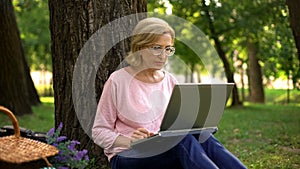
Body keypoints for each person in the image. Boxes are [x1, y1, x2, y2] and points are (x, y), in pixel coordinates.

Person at [92, 17, 247, 169]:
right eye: (156, 48)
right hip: (129, 156)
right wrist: (128, 140)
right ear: (139, 47)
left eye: (168, 49)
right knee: (181, 141)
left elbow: (177, 126)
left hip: (166, 149)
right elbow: (99, 131)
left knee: (204, 138)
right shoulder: (118, 81)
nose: (163, 55)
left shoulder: (170, 80)